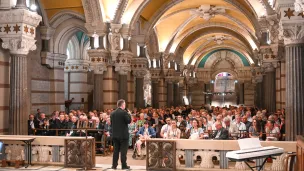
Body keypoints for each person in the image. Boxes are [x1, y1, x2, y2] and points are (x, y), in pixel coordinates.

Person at [110, 99, 131, 170]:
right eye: (124, 104)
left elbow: (111, 124)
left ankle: (114, 165)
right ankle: (124, 165)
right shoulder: (124, 112)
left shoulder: (112, 113)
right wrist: (129, 114)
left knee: (115, 151)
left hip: (115, 135)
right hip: (123, 135)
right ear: (122, 105)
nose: (125, 106)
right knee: (123, 151)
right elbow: (128, 121)